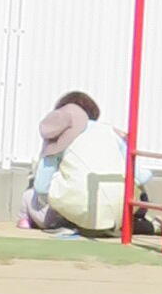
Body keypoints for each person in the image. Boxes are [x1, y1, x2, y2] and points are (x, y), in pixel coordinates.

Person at [22, 92, 128, 237]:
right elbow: (142, 176)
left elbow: (42, 186)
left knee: (29, 195)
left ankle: (25, 219)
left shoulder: (63, 136)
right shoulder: (111, 133)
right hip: (117, 215)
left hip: (74, 210)